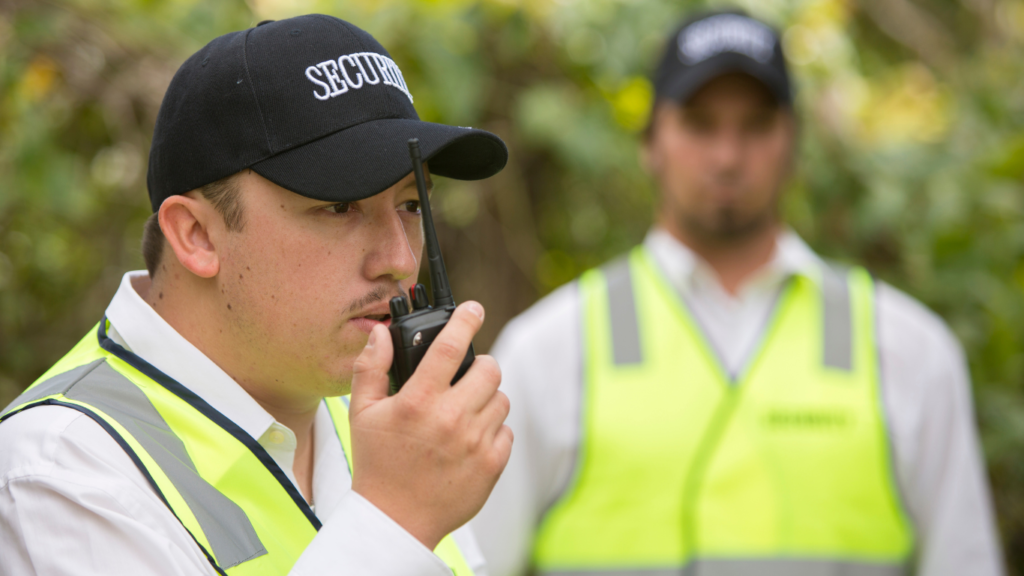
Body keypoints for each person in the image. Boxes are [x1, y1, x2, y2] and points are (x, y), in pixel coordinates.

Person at [472, 10, 1004, 576]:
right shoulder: (546, 350)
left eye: (754, 125)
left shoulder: (910, 350)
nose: (727, 156)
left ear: (792, 141)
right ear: (650, 141)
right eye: (700, 124)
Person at [0, 14, 513, 576]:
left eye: (412, 206)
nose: (398, 259)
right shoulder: (61, 474)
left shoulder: (396, 424)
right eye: (340, 207)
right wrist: (393, 521)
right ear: (196, 235)